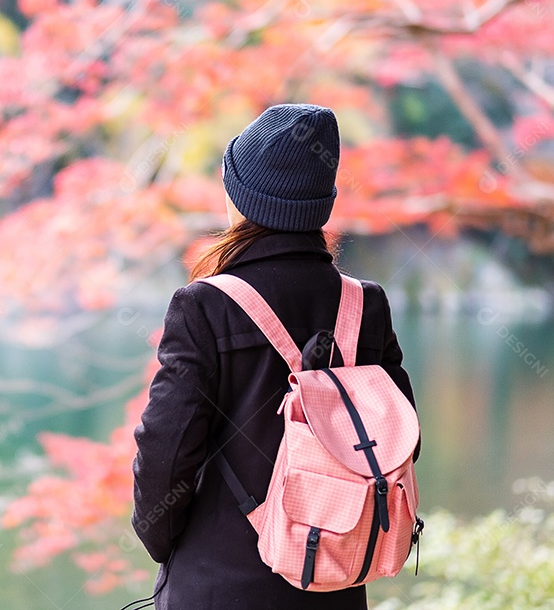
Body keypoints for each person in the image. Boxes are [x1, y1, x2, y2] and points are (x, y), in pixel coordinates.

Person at [131, 103, 418, 609]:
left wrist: (168, 544)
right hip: (332, 584)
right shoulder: (363, 305)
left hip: (219, 584)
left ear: (241, 200)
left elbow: (164, 456)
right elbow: (402, 444)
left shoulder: (205, 306)